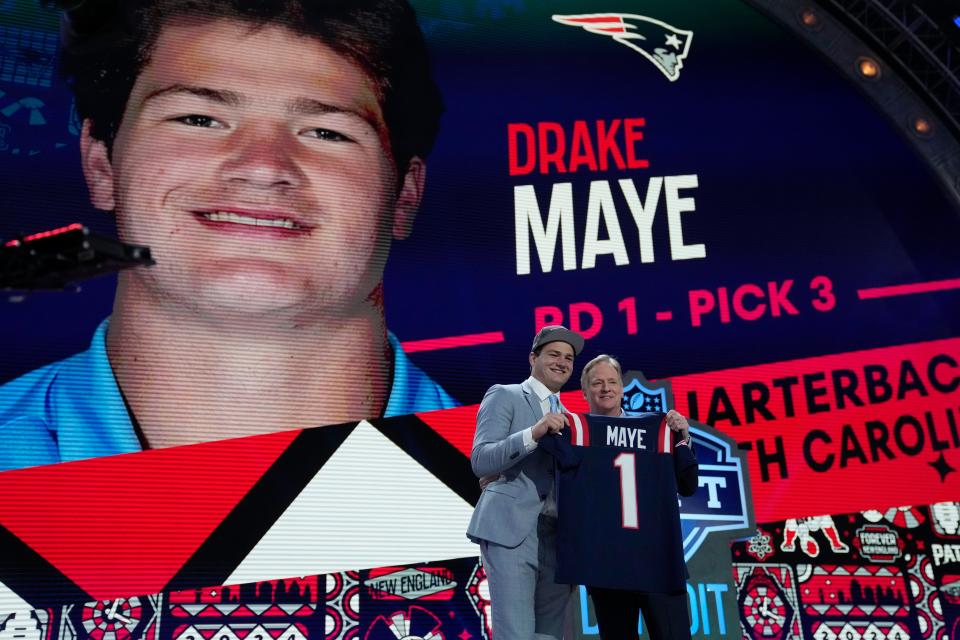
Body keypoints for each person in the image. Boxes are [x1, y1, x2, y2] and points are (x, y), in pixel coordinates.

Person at [0, 0, 455, 471]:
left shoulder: (529, 479)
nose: (261, 168)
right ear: (100, 164)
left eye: (325, 132)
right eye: (198, 120)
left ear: (405, 193)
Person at [466, 325, 584, 640]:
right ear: (533, 357)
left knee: (551, 636)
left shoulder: (574, 420)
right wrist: (533, 434)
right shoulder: (505, 395)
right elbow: (481, 460)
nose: (562, 362)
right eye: (554, 354)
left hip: (558, 540)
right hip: (512, 531)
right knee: (516, 634)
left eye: (569, 358)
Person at [579, 354, 697, 640]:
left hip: (658, 560)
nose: (605, 388)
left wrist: (682, 438)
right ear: (584, 391)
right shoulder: (576, 434)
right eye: (597, 383)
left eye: (611, 382)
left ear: (622, 387)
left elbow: (688, 484)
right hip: (607, 564)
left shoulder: (657, 430)